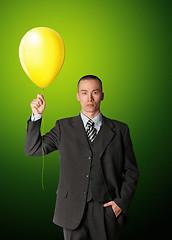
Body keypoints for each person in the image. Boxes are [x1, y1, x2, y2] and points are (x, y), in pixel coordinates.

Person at [24, 75, 139, 240]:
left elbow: (132, 172)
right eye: (84, 93)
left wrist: (121, 203)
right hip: (71, 211)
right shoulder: (63, 127)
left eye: (95, 92)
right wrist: (36, 116)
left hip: (106, 210)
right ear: (78, 96)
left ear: (102, 95)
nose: (90, 98)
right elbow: (32, 149)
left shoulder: (120, 130)